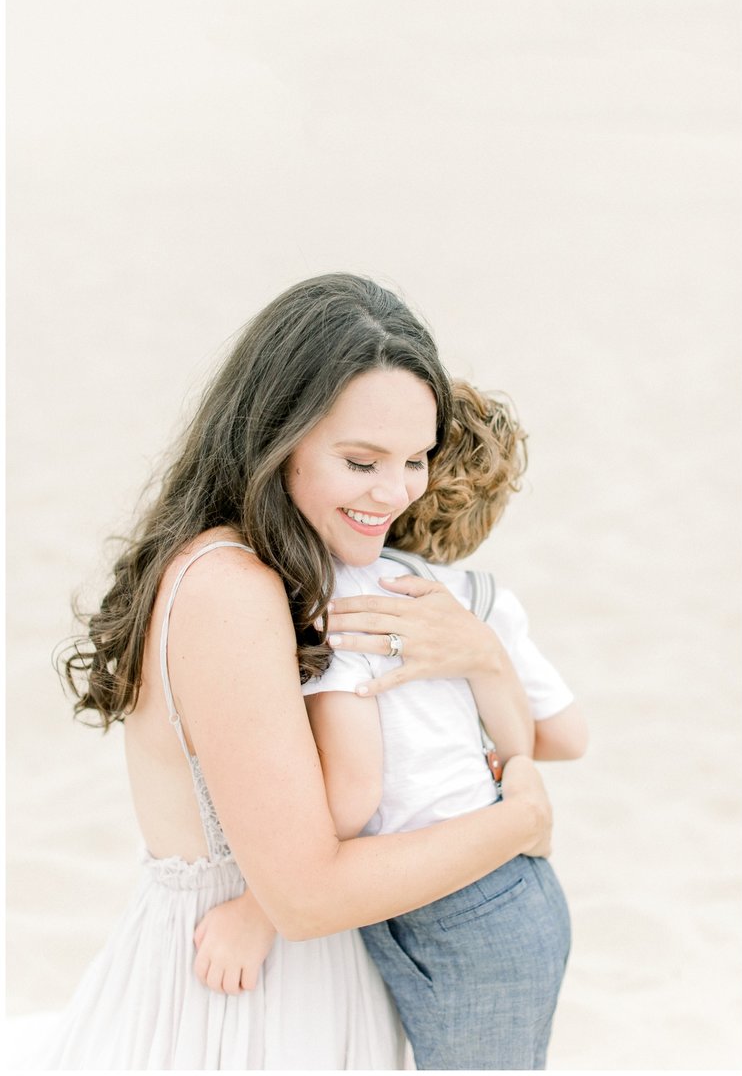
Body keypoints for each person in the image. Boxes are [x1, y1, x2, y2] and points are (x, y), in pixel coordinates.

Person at [15, 274, 554, 1071]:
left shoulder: (283, 568)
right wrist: (519, 823)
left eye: (415, 459)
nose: (396, 493)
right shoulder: (232, 589)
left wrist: (484, 660)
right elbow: (304, 893)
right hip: (238, 1009)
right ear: (278, 435)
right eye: (360, 459)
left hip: (290, 982)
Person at [192, 379, 586, 1069]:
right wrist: (502, 747)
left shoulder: (344, 598)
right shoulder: (475, 594)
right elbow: (570, 735)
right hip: (511, 891)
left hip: (457, 909)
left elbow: (354, 789)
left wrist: (258, 911)